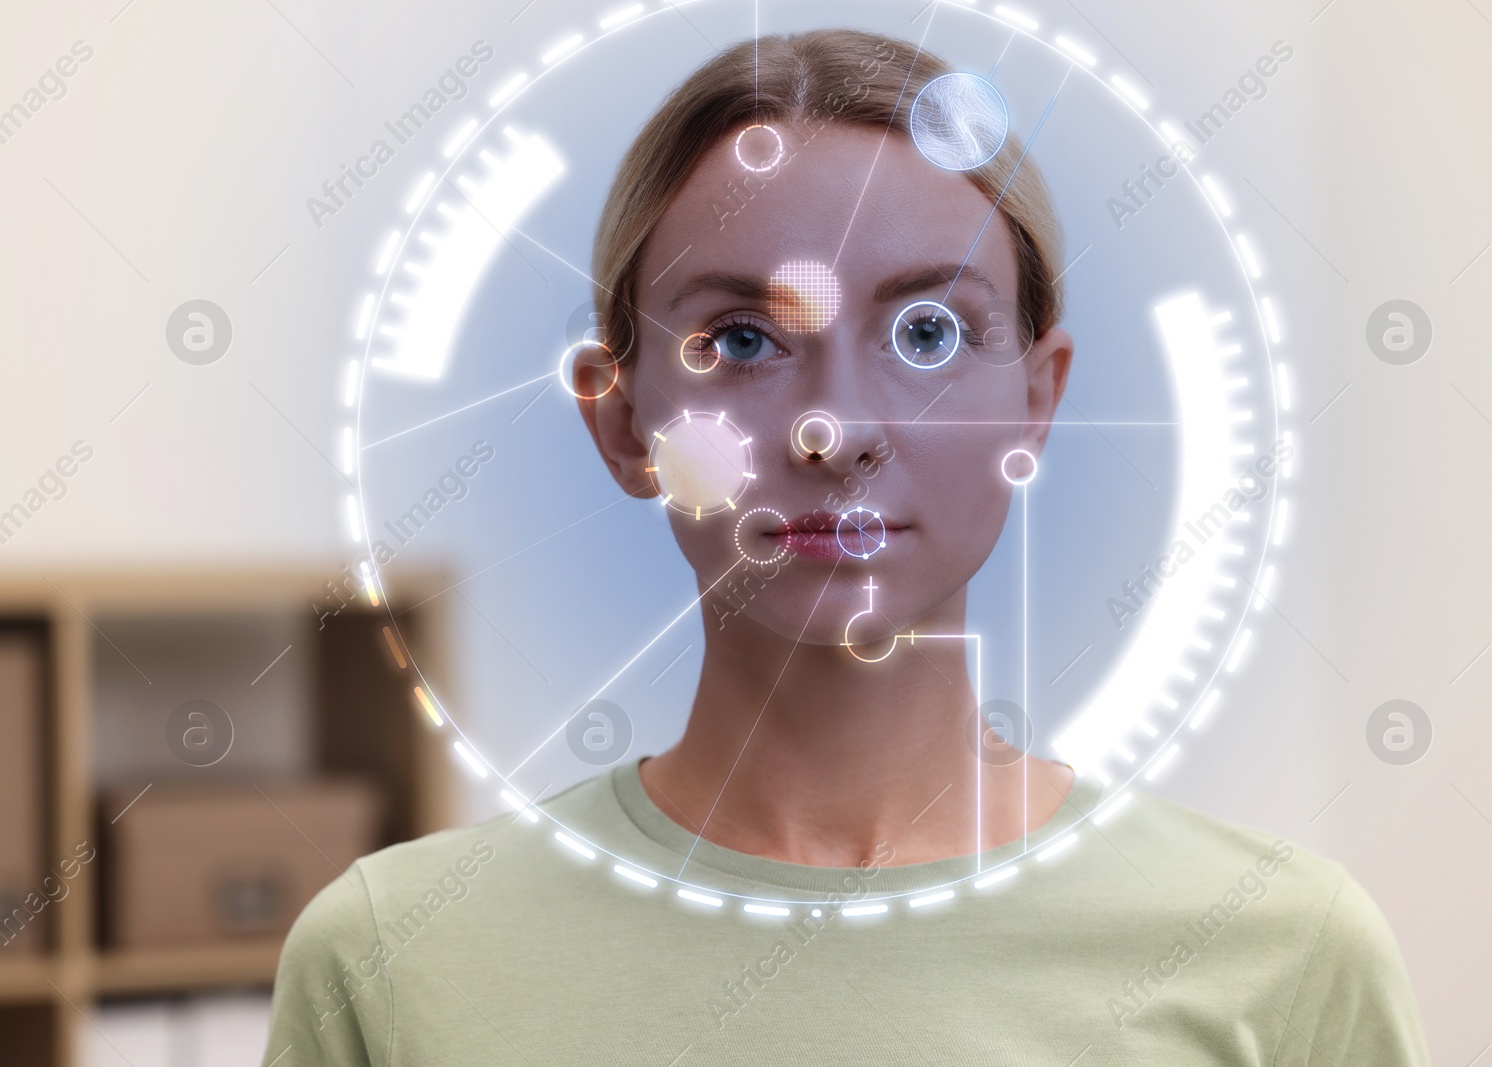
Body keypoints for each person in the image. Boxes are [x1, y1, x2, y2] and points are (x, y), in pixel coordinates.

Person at [263, 28, 1430, 1065]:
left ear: (1037, 396)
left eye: (927, 331)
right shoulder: (392, 962)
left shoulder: (1283, 956)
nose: (837, 427)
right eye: (739, 339)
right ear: (620, 419)